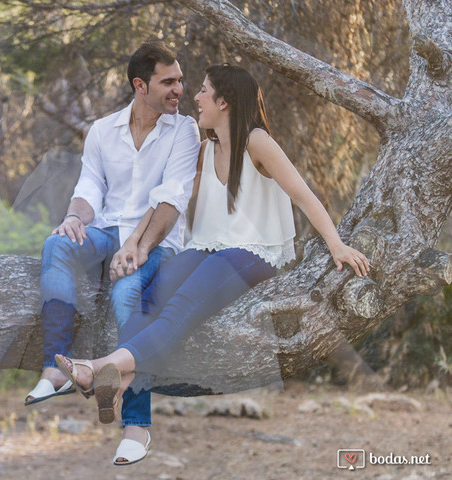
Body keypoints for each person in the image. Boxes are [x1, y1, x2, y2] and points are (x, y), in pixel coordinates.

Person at [55, 64, 371, 465]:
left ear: (224, 102)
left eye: (204, 91)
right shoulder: (205, 147)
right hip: (206, 247)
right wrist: (135, 240)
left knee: (179, 308)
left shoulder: (257, 141)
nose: (196, 97)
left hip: (252, 253)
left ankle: (98, 369)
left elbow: (304, 196)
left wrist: (337, 245)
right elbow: (168, 198)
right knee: (145, 300)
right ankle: (125, 377)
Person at [24, 40, 200, 414]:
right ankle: (55, 371)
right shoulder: (103, 130)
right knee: (56, 245)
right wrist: (74, 217)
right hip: (106, 232)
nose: (179, 90)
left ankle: (135, 422)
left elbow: (171, 200)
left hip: (158, 241)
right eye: (169, 82)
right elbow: (89, 187)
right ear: (141, 86)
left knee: (125, 297)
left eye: (180, 80)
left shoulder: (185, 131)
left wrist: (139, 247)